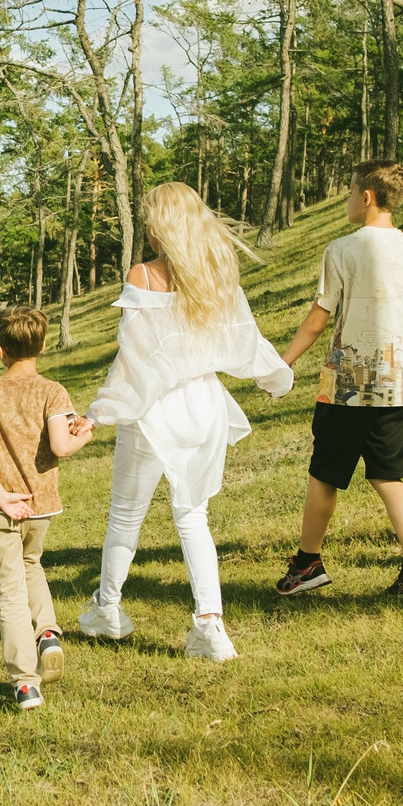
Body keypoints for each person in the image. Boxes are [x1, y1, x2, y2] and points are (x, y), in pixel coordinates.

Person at [78, 183, 294, 663]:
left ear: (159, 226)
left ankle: (108, 609)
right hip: (204, 404)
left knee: (126, 513)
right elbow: (245, 337)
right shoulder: (217, 276)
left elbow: (134, 359)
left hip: (156, 409)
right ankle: (210, 626)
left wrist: (97, 413)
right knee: (193, 516)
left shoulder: (144, 275)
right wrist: (275, 375)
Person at [274, 160, 403, 600]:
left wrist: (284, 362)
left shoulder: (342, 250)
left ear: (367, 197)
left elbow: (319, 319)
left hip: (350, 384)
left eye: (351, 191)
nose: (348, 199)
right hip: (400, 383)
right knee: (389, 476)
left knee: (325, 473)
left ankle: (307, 564)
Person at [0, 304, 97, 710]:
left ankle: (25, 683)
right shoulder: (53, 391)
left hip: (0, 509)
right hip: (41, 507)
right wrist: (86, 433)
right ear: (40, 347)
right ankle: (49, 634)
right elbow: (61, 446)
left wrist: (0, 496)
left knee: (9, 594)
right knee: (31, 563)